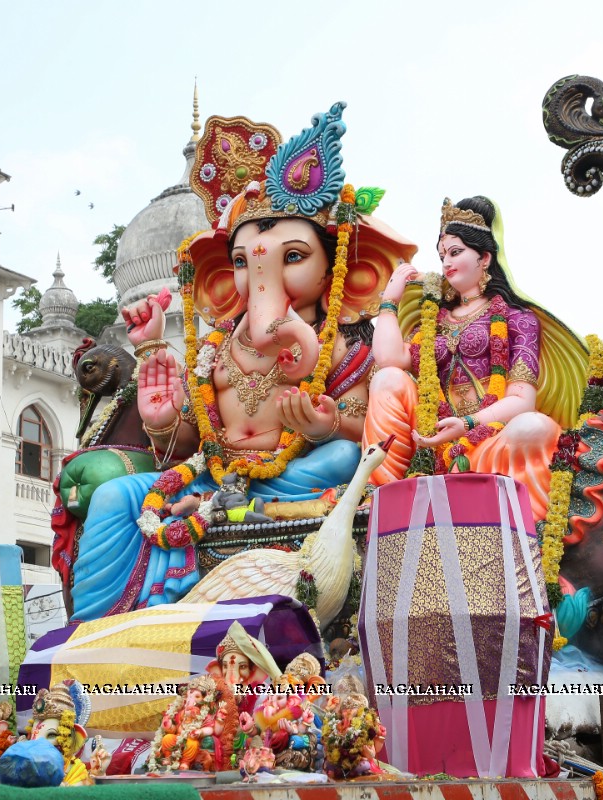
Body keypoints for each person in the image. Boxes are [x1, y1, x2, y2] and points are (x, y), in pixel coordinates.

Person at [69, 105, 414, 621]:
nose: (261, 275)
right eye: (242, 261)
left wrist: (326, 425)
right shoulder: (215, 348)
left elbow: (367, 429)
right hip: (212, 477)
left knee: (341, 460)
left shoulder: (344, 345)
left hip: (291, 478)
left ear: (337, 268)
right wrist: (163, 423)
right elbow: (193, 439)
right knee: (115, 497)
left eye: (290, 257)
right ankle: (91, 629)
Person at [366, 196, 602, 522]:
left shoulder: (518, 319)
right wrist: (390, 301)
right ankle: (382, 498)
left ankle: (526, 530)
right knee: (387, 378)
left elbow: (521, 400)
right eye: (442, 255)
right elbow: (389, 358)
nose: (446, 263)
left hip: (489, 444)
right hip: (429, 442)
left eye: (456, 252)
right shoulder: (431, 321)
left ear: (485, 258)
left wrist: (466, 425)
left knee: (535, 427)